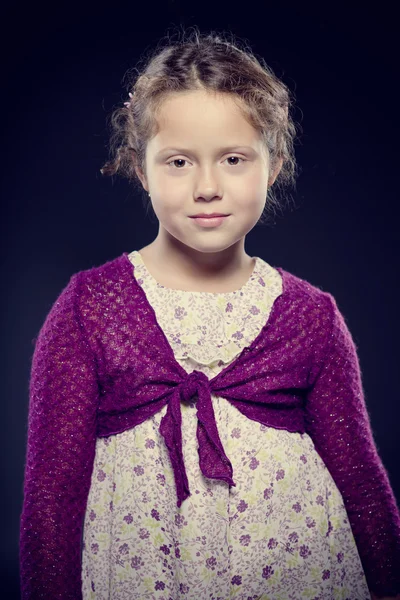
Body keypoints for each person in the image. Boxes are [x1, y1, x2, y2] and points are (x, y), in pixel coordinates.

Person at [19, 26, 400, 600]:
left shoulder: (311, 315)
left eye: (233, 158)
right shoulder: (89, 308)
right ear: (141, 170)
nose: (207, 187)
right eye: (177, 161)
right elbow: (51, 499)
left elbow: (363, 483)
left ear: (271, 166)